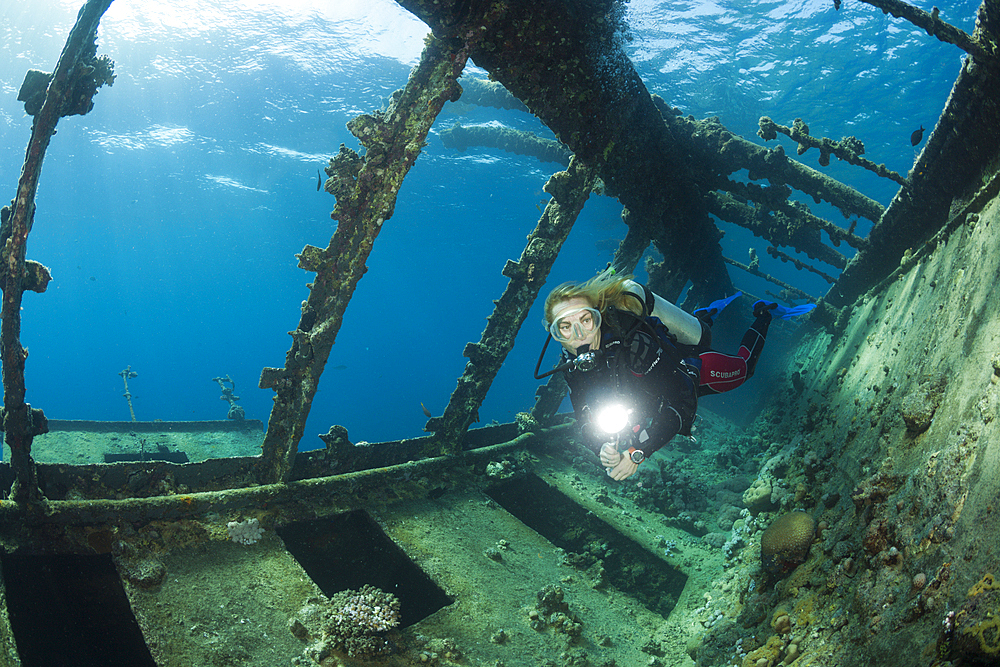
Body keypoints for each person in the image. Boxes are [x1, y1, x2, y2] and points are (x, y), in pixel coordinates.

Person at [535, 269, 813, 481]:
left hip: (690, 372)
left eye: (586, 320)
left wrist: (636, 453)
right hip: (650, 389)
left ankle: (764, 314)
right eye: (566, 328)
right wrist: (601, 446)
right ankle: (703, 316)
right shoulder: (572, 365)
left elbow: (681, 400)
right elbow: (584, 414)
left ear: (597, 318)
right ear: (555, 336)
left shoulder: (634, 345)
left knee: (742, 370)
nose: (580, 335)